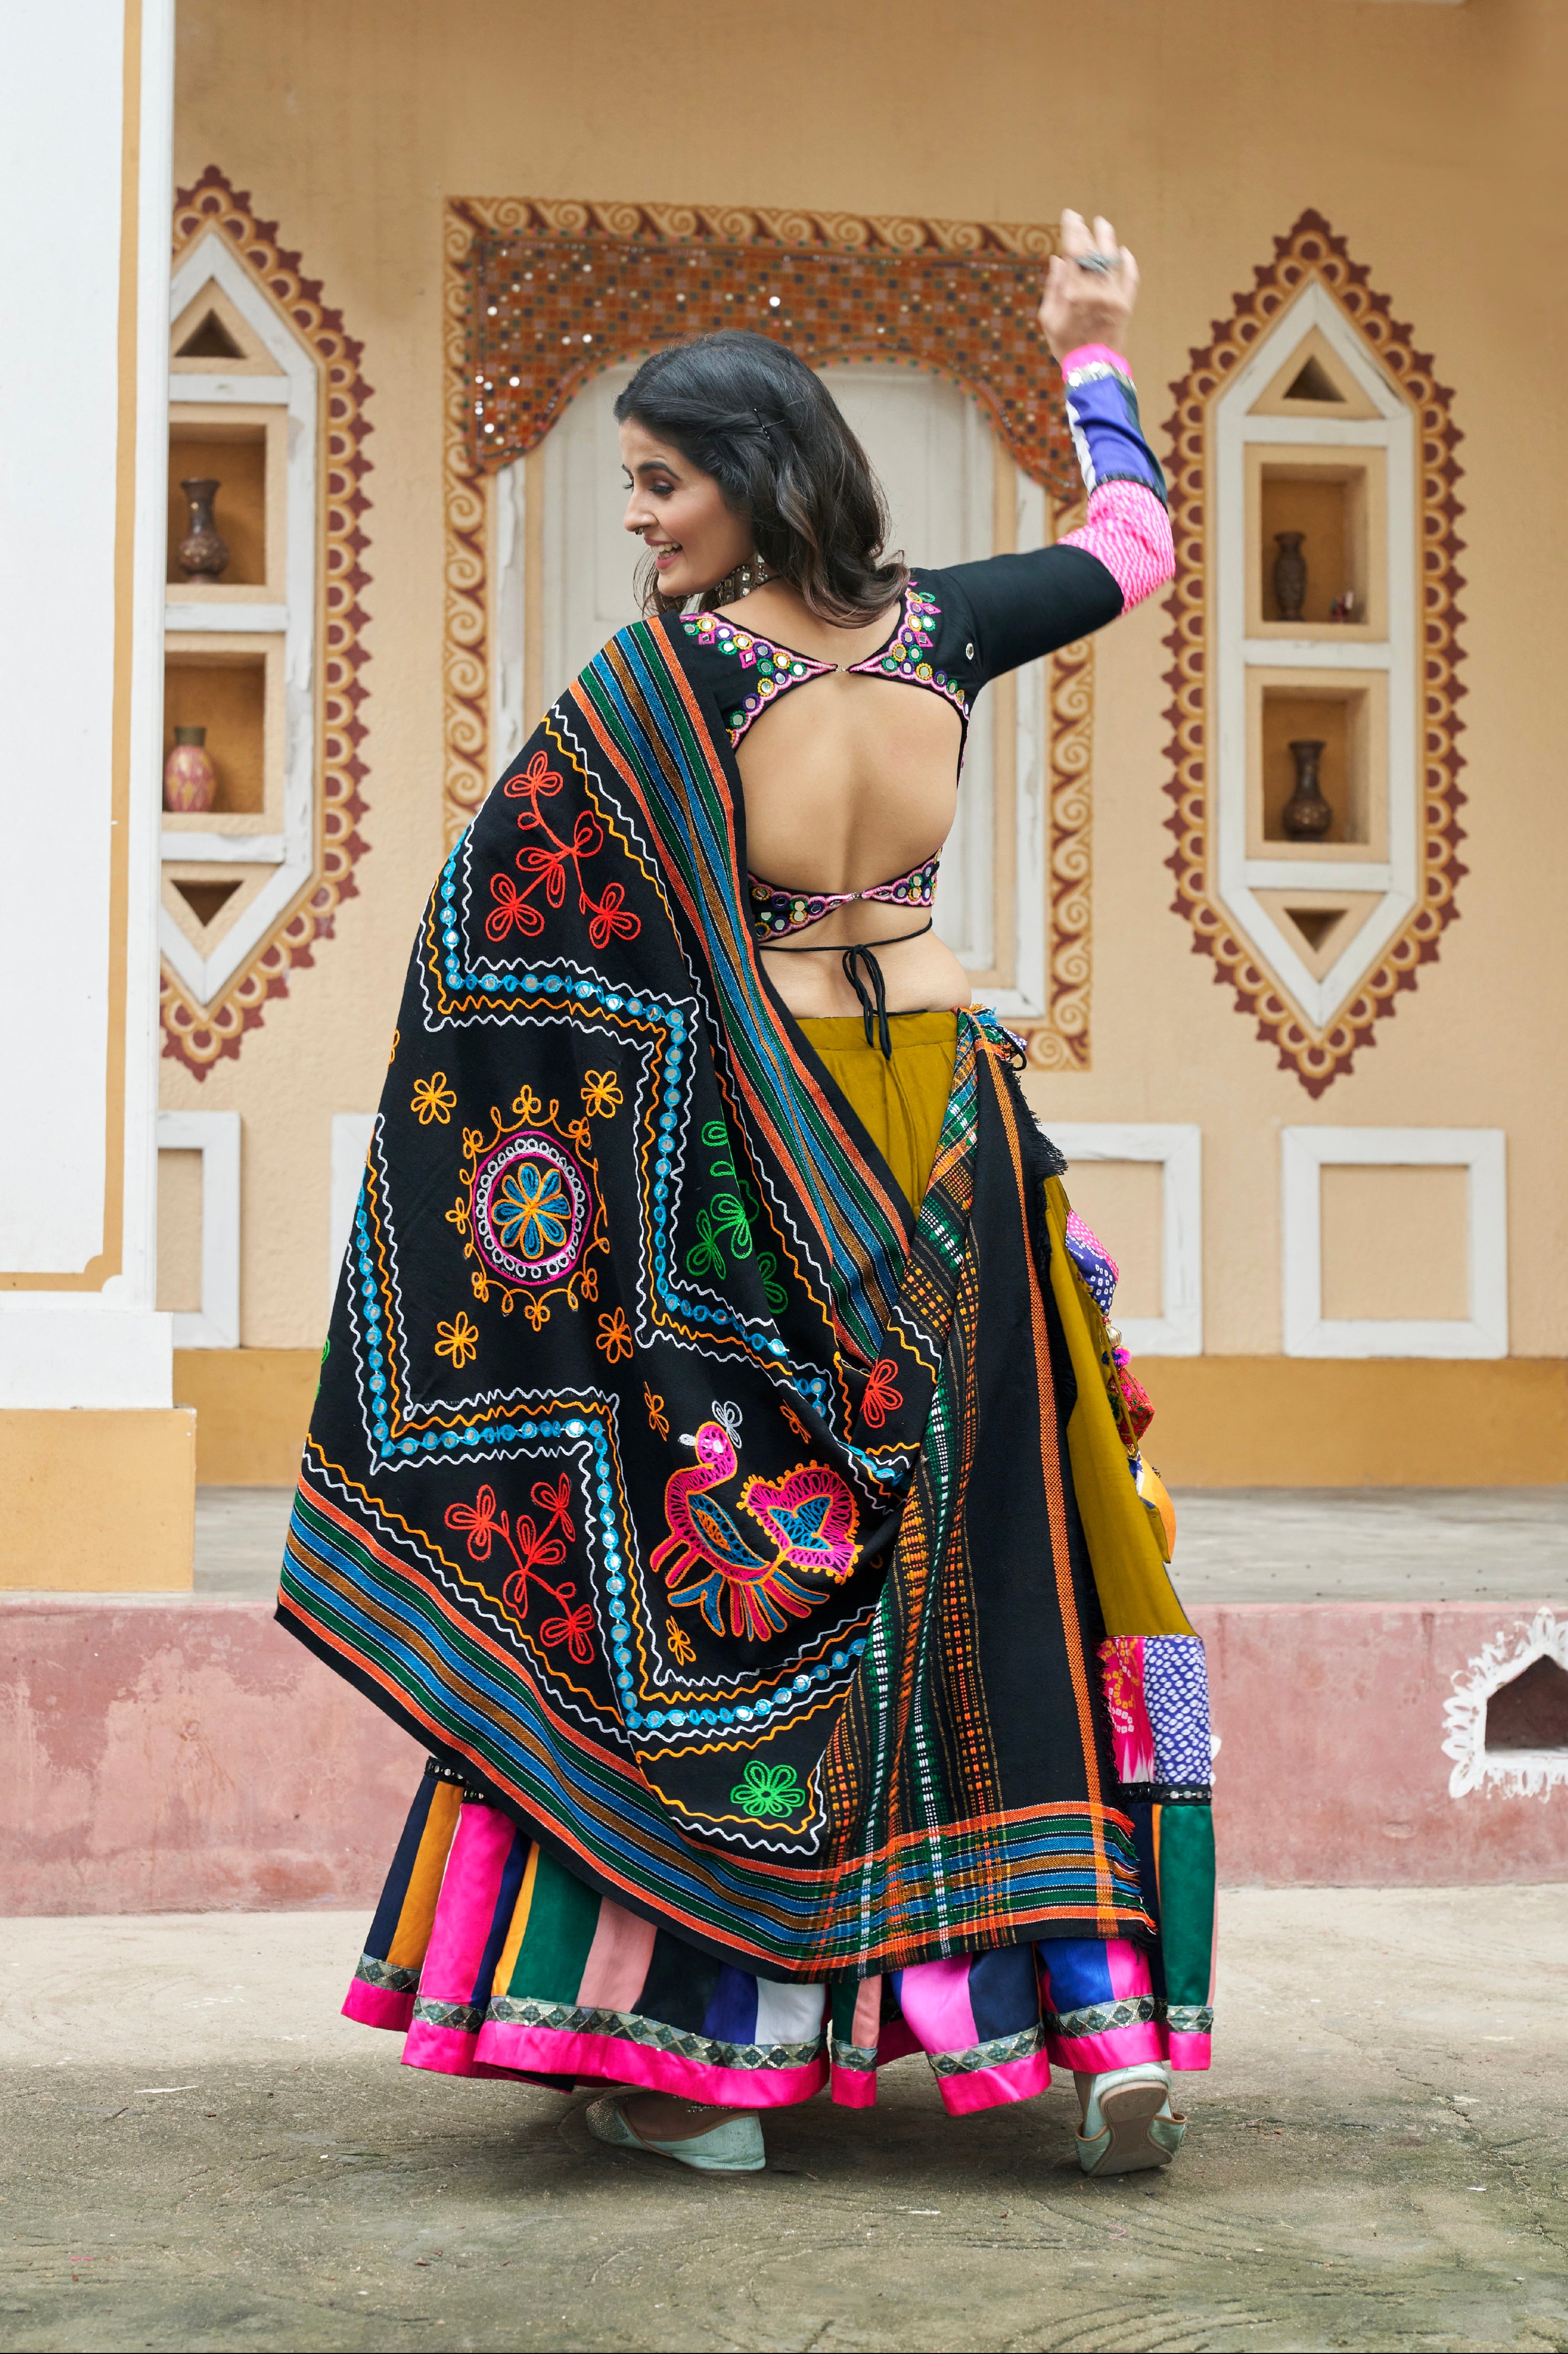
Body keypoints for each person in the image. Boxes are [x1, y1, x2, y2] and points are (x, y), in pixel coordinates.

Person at [281, 211, 1214, 2183]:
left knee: (738, 1598)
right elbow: (1138, 544)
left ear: (755, 476)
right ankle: (1088, 2019)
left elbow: (489, 950)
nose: (640, 523)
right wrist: (1096, 352)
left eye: (660, 482)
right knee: (997, 1577)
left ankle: (713, 2058)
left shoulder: (667, 689)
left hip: (769, 1168)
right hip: (949, 1135)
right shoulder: (945, 629)